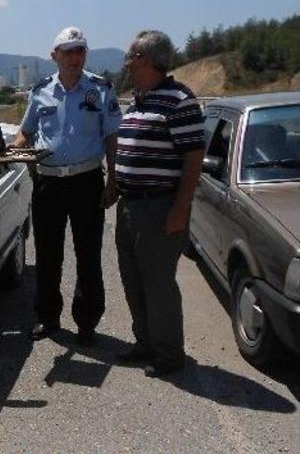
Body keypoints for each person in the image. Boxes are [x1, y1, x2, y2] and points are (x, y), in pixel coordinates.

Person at [12, 26, 122, 345]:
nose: (75, 57)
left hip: (88, 182)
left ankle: (87, 322)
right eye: (68, 51)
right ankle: (48, 318)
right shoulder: (40, 91)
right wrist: (13, 149)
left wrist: (112, 180)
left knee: (88, 255)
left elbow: (111, 137)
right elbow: (26, 132)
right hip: (49, 184)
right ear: (54, 56)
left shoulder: (101, 89)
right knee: (48, 255)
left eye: (81, 51)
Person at [113, 30, 206, 377]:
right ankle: (145, 344)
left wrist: (180, 210)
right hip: (130, 205)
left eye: (131, 56)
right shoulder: (139, 98)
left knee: (158, 284)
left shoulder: (179, 100)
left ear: (147, 60)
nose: (126, 63)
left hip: (159, 207)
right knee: (132, 279)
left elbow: (193, 158)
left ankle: (169, 356)